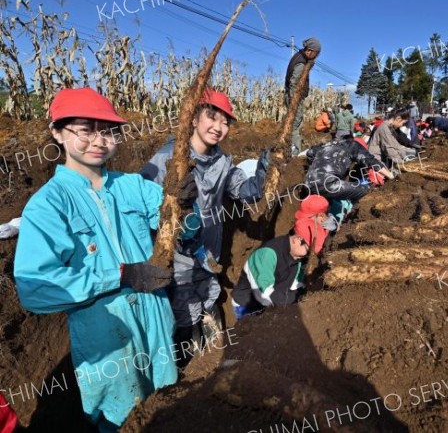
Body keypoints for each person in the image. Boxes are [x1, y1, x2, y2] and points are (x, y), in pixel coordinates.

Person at [13, 88, 180, 430]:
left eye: (108, 130)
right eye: (85, 130)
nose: (99, 140)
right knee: (120, 418)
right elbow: (35, 289)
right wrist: (118, 274)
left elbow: (181, 228)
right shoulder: (48, 205)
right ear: (58, 133)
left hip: (157, 319)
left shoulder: (132, 185)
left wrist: (185, 209)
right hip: (107, 336)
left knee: (167, 406)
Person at [140, 89, 269, 360]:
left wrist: (264, 174)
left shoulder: (223, 161)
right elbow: (142, 203)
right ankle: (186, 363)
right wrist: (174, 220)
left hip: (210, 253)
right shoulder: (167, 159)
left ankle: (211, 357)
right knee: (183, 308)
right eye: (212, 117)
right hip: (178, 258)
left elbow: (243, 191)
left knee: (209, 296)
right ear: (195, 118)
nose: (219, 127)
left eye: (225, 122)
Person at [231, 220, 320, 319]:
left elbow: (297, 286)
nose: (308, 255)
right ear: (298, 239)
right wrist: (296, 297)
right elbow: (265, 296)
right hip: (247, 307)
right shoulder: (266, 255)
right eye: (308, 250)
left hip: (273, 303)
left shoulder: (298, 259)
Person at [305, 134, 394, 204]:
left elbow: (310, 153)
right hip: (327, 184)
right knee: (363, 190)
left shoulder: (327, 145)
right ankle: (349, 212)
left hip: (308, 184)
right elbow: (371, 161)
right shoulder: (353, 145)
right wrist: (390, 176)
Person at [285, 37, 321, 156]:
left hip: (295, 97)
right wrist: (294, 103)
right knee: (295, 123)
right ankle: (294, 151)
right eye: (316, 54)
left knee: (294, 123)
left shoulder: (299, 57)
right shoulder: (300, 62)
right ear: (310, 51)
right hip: (295, 98)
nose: (316, 57)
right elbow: (294, 83)